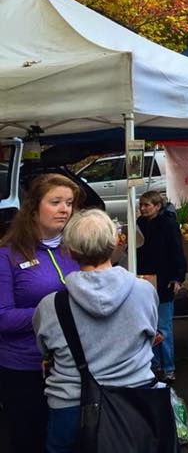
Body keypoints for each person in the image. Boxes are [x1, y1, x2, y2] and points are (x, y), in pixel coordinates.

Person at [34, 209, 158, 453]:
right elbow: (150, 333)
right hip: (136, 399)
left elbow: (45, 349)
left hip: (71, 406)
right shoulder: (144, 290)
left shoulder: (50, 306)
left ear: (68, 250)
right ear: (114, 244)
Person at [0, 174, 81, 453]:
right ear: (33, 208)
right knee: (29, 440)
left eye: (69, 203)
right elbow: (3, 318)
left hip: (71, 367)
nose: (64, 209)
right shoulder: (7, 255)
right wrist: (54, 310)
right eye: (55, 202)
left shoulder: (76, 249)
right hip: (24, 369)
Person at [136, 190, 187, 381]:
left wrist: (177, 277)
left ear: (157, 206)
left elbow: (177, 251)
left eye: (146, 205)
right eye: (141, 205)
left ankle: (168, 367)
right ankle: (154, 364)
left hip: (164, 279)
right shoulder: (139, 224)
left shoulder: (169, 224)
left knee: (163, 327)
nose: (142, 209)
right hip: (144, 279)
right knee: (148, 325)